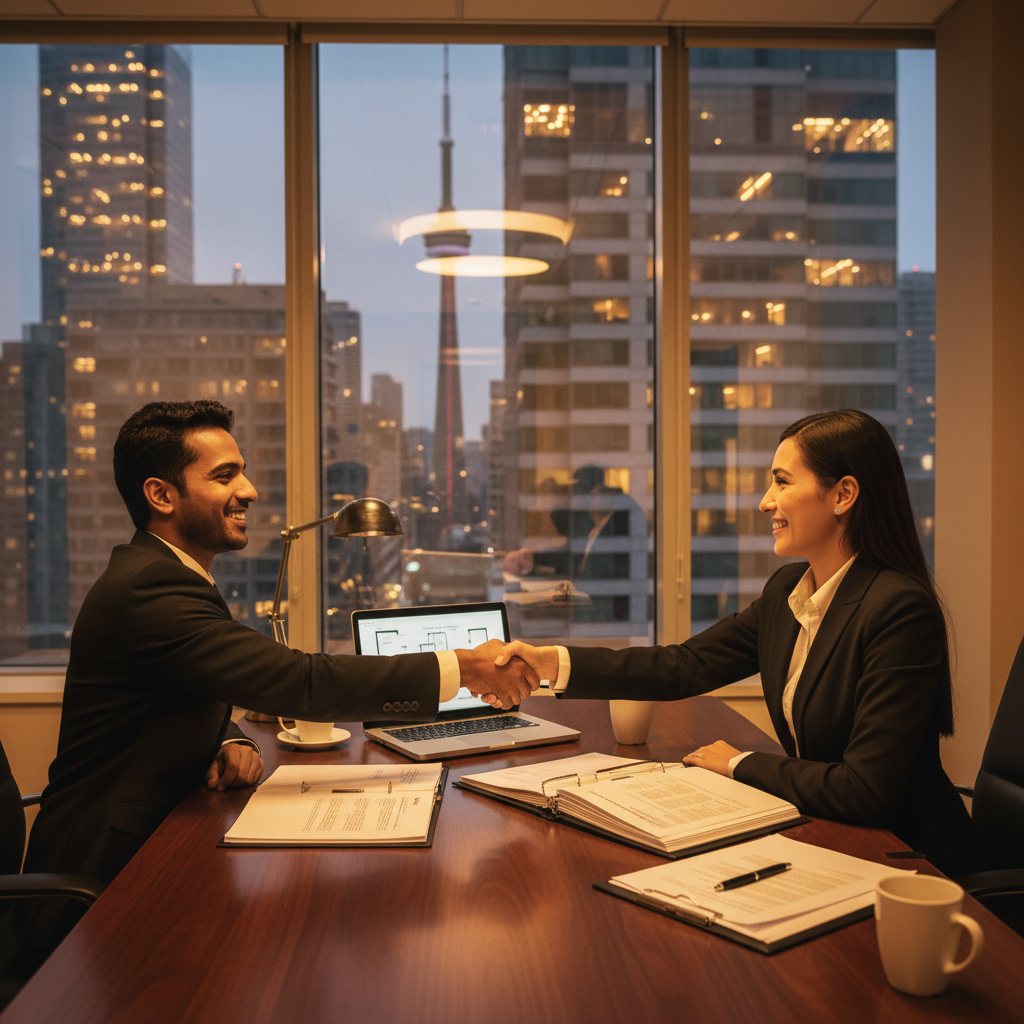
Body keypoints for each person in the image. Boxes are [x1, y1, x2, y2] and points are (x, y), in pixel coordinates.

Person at [24, 400, 532, 896]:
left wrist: (230, 739)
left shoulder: (164, 574)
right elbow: (300, 681)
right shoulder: (149, 588)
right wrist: (462, 668)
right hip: (99, 880)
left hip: (155, 845)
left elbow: (181, 684)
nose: (249, 490)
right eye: (225, 476)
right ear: (161, 495)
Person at [491, 410, 984, 877]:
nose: (766, 501)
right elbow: (684, 665)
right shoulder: (788, 592)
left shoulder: (899, 610)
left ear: (843, 494)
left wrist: (738, 762)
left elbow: (865, 790)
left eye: (782, 481)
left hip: (911, 862)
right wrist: (549, 662)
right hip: (834, 836)